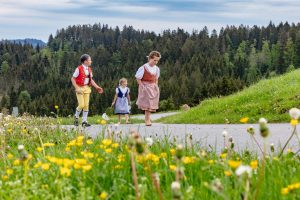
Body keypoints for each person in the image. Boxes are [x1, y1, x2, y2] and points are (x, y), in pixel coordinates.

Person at [71, 54, 103, 127]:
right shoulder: (78, 68)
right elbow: (72, 78)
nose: (91, 61)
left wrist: (97, 87)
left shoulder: (89, 69)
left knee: (86, 105)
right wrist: (76, 88)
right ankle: (76, 117)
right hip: (79, 88)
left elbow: (91, 80)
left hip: (87, 88)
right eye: (89, 60)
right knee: (81, 104)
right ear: (85, 61)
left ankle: (84, 121)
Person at [135, 51, 161, 126]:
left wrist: (156, 85)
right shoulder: (144, 67)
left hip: (153, 86)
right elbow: (138, 78)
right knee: (148, 103)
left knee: (151, 103)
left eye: (157, 60)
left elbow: (156, 78)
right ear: (150, 58)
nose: (156, 62)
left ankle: (148, 118)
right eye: (154, 60)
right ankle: (147, 120)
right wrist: (142, 86)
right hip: (145, 86)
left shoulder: (156, 69)